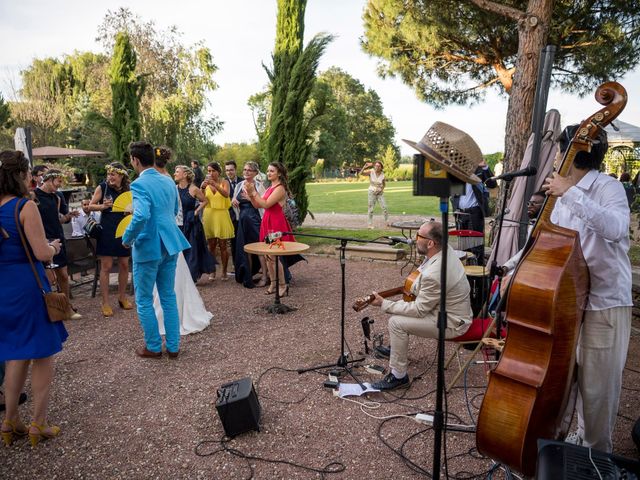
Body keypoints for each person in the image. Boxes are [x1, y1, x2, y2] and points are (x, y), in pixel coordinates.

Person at [543, 125, 632, 452]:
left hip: (603, 303)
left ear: (570, 154)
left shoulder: (608, 188)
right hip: (568, 302)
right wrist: (511, 269)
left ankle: (596, 458)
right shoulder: (562, 193)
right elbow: (547, 241)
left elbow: (615, 228)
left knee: (598, 391)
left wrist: (571, 192)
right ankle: (574, 444)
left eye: (557, 150)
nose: (554, 157)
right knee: (570, 382)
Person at [0, 150, 67, 446]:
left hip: (3, 289)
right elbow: (41, 253)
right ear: (20, 175)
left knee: (15, 353)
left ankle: (10, 421)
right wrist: (53, 247)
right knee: (41, 353)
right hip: (28, 286)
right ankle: (38, 424)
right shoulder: (24, 207)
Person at [367, 221, 472, 391]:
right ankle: (397, 350)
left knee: (396, 323)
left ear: (431, 243)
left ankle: (399, 376)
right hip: (445, 310)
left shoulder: (435, 273)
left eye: (418, 236)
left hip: (452, 322)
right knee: (400, 316)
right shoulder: (443, 251)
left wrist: (384, 303)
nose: (414, 240)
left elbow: (419, 309)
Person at [122, 141, 190, 359]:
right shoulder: (168, 181)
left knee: (143, 299)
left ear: (135, 160)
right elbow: (174, 210)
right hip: (170, 242)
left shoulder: (138, 184)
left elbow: (141, 215)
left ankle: (152, 346)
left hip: (148, 245)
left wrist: (127, 237)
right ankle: (173, 346)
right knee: (168, 296)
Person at [245, 162, 304, 297]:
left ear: (279, 173)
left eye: (272, 171)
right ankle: (273, 283)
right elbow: (256, 205)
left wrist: (254, 192)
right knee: (267, 256)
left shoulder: (280, 188)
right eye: (268, 171)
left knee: (274, 256)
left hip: (276, 225)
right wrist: (251, 195)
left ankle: (283, 285)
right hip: (267, 222)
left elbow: (266, 204)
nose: (269, 173)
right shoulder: (269, 188)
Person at [34, 169, 81, 318]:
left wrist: (68, 216)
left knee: (64, 276)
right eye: (58, 181)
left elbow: (58, 219)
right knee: (49, 278)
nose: (60, 185)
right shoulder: (34, 196)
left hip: (58, 238)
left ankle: (67, 306)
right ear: (49, 179)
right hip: (43, 239)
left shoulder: (57, 197)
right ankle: (52, 309)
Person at [88, 162, 133, 317]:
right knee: (106, 266)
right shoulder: (102, 187)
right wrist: (103, 206)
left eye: (113, 174)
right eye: (108, 174)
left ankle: (122, 297)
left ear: (121, 175)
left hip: (123, 229)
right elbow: (90, 206)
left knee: (124, 264)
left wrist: (131, 211)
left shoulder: (129, 189)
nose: (110, 177)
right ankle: (105, 302)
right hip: (107, 229)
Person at [451, 161, 497, 265]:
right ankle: (466, 270)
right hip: (460, 213)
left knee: (476, 244)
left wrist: (485, 167)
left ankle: (479, 270)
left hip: (475, 212)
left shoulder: (479, 170)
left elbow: (492, 184)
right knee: (463, 244)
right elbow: (453, 192)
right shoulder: (456, 171)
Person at [174, 165, 215, 282]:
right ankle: (180, 276)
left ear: (185, 174)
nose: (175, 174)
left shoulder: (194, 189)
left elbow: (205, 200)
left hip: (192, 223)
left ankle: (191, 278)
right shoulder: (174, 188)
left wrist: (197, 211)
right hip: (178, 223)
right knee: (180, 251)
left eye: (177, 171)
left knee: (192, 250)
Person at [232, 161, 269, 288]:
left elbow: (262, 205)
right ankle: (249, 276)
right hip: (242, 220)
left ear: (255, 173)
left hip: (255, 220)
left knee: (259, 249)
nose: (246, 172)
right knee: (246, 249)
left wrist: (251, 198)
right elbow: (234, 199)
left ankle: (264, 276)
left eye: (249, 170)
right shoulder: (239, 185)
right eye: (245, 169)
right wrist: (234, 200)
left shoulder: (259, 186)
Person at [498, 190, 545, 277]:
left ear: (545, 205)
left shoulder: (547, 228)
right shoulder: (532, 225)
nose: (529, 206)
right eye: (529, 203)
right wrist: (507, 266)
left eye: (534, 203)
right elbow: (526, 249)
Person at [201, 162, 234, 281]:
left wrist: (214, 184)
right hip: (209, 214)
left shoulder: (224, 182)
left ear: (218, 172)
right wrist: (203, 188)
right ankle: (212, 271)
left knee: (223, 245)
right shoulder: (205, 184)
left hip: (221, 214)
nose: (210, 173)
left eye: (212, 171)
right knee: (211, 246)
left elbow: (226, 195)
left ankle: (224, 271)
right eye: (208, 171)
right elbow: (201, 198)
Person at [359, 160, 388, 229]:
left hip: (380, 193)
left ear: (381, 167)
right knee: (371, 209)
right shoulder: (371, 171)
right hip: (371, 192)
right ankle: (370, 224)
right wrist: (364, 167)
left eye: (379, 166)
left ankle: (387, 222)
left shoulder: (382, 174)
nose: (377, 167)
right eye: (376, 166)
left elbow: (384, 184)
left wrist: (381, 189)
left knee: (384, 207)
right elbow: (361, 173)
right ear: (374, 166)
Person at [225, 160, 243, 265]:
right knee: (234, 241)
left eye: (231, 170)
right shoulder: (223, 183)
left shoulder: (243, 181)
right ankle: (236, 265)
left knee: (244, 240)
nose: (229, 172)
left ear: (235, 170)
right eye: (227, 170)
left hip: (243, 214)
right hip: (230, 216)